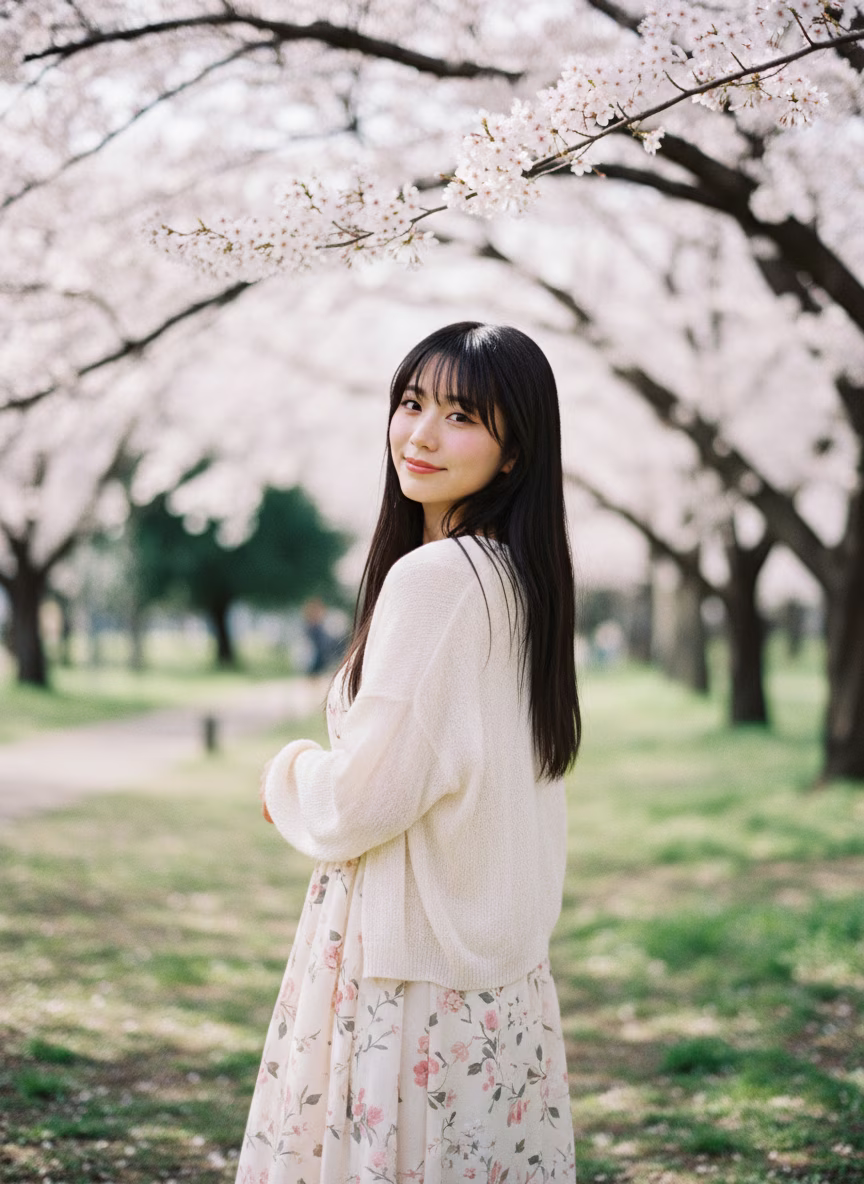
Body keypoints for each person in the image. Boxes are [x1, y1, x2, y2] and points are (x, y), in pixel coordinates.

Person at [236, 322, 581, 1183]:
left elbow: (362, 798)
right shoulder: (518, 576)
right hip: (496, 978)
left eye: (462, 415)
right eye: (411, 402)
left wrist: (288, 775)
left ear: (513, 451)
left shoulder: (437, 580)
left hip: (410, 970)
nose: (421, 433)